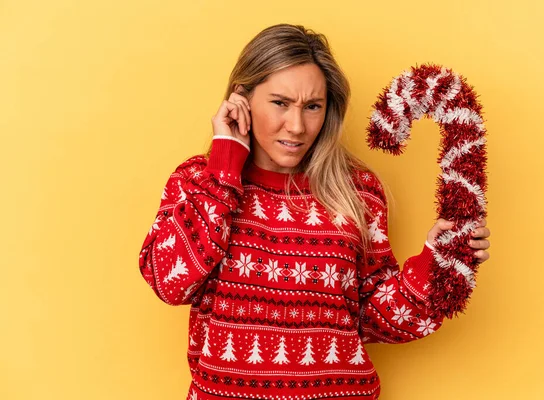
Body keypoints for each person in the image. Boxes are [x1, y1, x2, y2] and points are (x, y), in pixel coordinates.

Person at [138, 23, 491, 400]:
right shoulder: (198, 180)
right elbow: (169, 284)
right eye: (280, 103)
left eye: (312, 107)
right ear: (241, 99)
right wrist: (225, 169)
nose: (297, 126)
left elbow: (374, 320)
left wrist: (436, 264)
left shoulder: (358, 191)